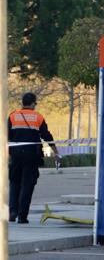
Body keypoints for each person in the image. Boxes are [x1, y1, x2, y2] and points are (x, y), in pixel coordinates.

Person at [8, 92, 58, 224]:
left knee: (14, 183)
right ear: (32, 103)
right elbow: (47, 136)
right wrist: (55, 152)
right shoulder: (38, 117)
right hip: (31, 156)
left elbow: (6, 136)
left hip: (16, 155)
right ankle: (22, 216)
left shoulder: (13, 116)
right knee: (27, 185)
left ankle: (12, 212)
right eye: (35, 103)